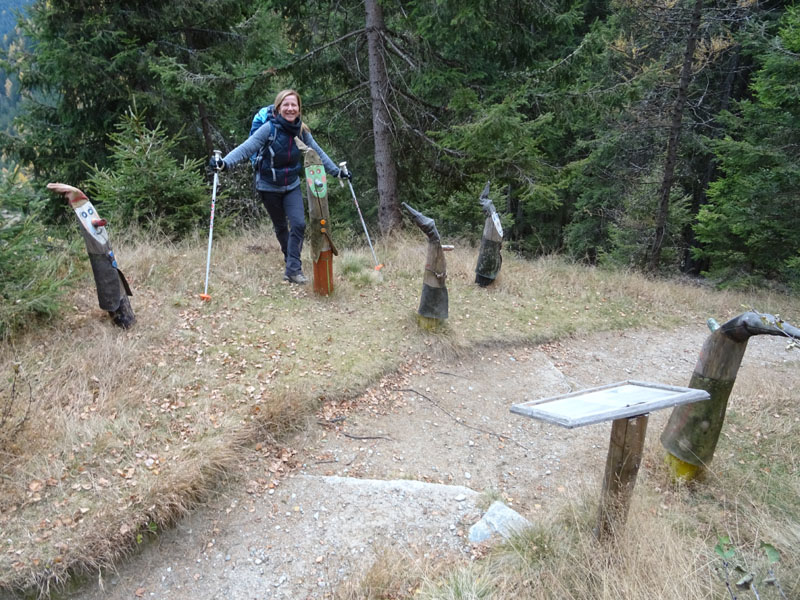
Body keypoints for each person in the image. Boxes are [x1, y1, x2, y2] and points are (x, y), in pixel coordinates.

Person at [210, 89, 349, 284]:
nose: (290, 108)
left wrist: (337, 172)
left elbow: (318, 153)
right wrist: (224, 163)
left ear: (299, 109)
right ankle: (291, 263)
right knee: (281, 227)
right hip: (267, 186)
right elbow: (247, 148)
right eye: (286, 105)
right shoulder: (269, 129)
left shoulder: (302, 131)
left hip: (291, 185)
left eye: (294, 105)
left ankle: (293, 269)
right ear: (278, 108)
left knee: (299, 224)